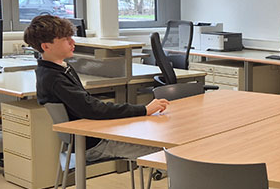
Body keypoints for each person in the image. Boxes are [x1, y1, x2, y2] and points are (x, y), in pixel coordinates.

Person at [23, 15, 170, 160]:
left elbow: (88, 105)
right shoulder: (54, 78)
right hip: (93, 144)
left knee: (154, 135)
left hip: (91, 136)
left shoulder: (58, 69)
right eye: (65, 39)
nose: (72, 42)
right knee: (168, 151)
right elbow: (92, 109)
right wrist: (144, 110)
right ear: (46, 46)